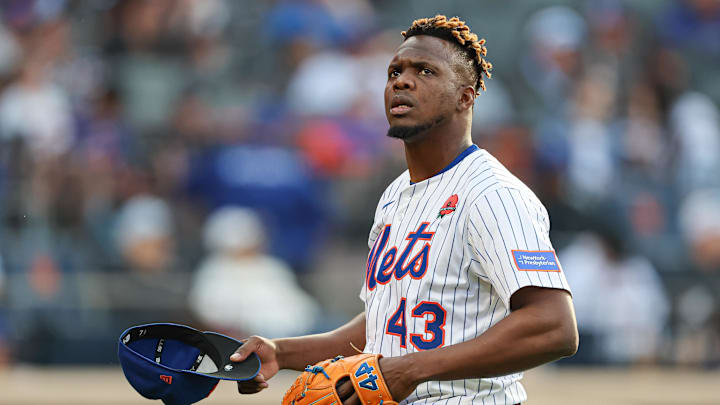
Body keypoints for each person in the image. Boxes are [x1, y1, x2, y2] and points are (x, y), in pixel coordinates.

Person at [230, 15, 578, 404]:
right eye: (394, 71)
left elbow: (553, 327)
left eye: (425, 71)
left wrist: (411, 369)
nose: (402, 80)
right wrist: (282, 352)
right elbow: (383, 327)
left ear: (465, 96)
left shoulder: (492, 194)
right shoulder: (394, 196)